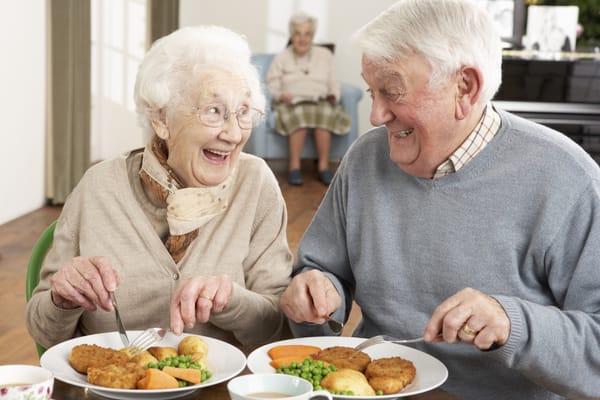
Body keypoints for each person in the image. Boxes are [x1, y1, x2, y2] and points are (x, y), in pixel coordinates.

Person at [279, 1, 600, 399]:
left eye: (392, 92)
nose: (376, 115)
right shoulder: (364, 159)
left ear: (465, 88)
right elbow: (320, 270)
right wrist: (313, 293)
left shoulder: (568, 178)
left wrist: (511, 323)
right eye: (371, 92)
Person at [26, 25, 293, 350]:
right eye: (214, 111)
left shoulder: (255, 184)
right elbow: (44, 330)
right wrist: (62, 298)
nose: (234, 134)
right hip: (115, 389)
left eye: (243, 112)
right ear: (161, 119)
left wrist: (231, 302)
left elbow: (279, 329)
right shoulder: (99, 187)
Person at [266, 12, 352, 186]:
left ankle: (323, 167)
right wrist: (280, 95)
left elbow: (333, 81)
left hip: (319, 100)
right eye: (297, 33)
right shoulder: (281, 57)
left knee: (325, 113)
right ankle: (294, 167)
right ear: (292, 35)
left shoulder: (325, 55)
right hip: (291, 102)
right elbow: (271, 84)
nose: (302, 38)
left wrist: (334, 95)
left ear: (312, 36)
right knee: (300, 114)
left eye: (307, 34)